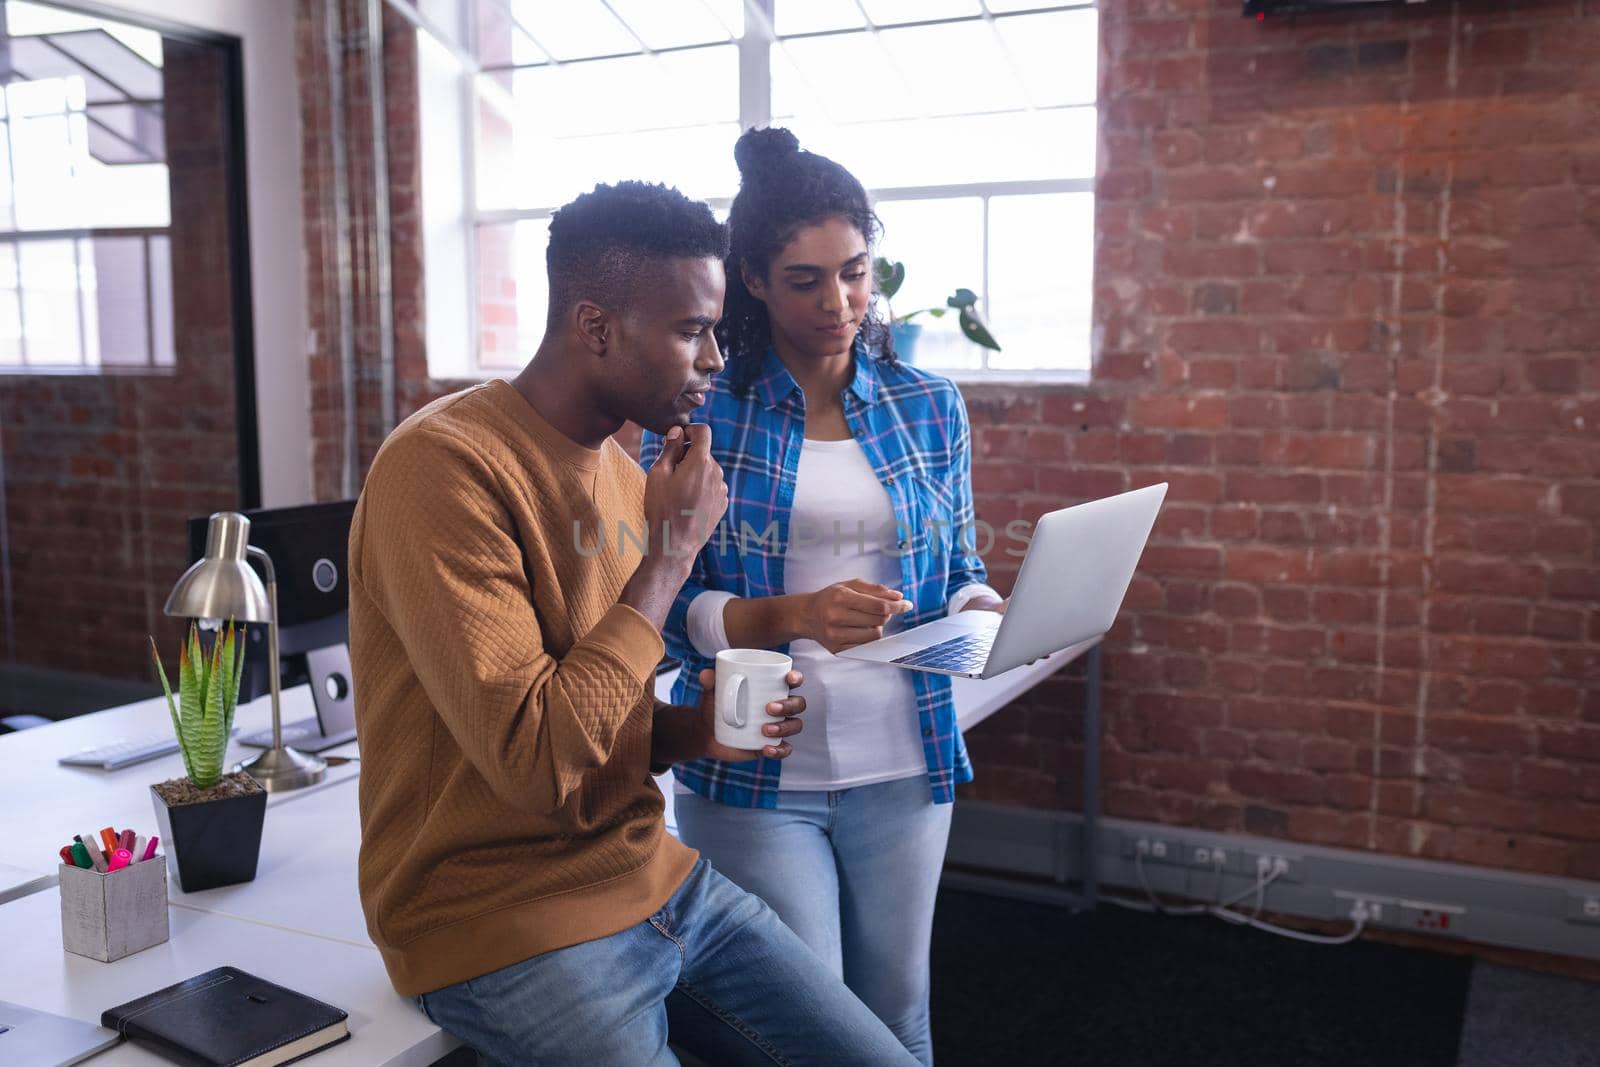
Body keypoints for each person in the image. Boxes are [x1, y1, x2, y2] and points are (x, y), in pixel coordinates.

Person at [350, 180, 920, 1066]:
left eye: (717, 332)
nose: (716, 361)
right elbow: (538, 761)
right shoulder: (442, 468)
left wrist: (699, 731)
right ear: (596, 327)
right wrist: (667, 557)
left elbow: (599, 723)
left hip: (654, 877)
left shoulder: (621, 474)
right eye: (692, 332)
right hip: (499, 920)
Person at [641, 128, 1005, 1065]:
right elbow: (661, 606)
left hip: (905, 758)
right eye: (806, 281)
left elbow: (959, 559)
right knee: (812, 1036)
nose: (841, 302)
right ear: (753, 282)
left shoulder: (930, 402)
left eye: (855, 271)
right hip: (757, 769)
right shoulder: (699, 414)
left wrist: (980, 607)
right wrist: (793, 618)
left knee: (899, 1017)